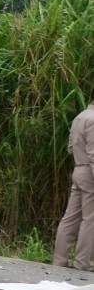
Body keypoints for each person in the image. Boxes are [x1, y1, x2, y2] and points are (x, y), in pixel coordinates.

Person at [54, 96, 94, 270]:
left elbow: (71, 148)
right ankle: (82, 262)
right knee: (90, 218)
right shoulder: (93, 120)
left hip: (78, 168)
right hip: (90, 171)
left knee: (70, 217)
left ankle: (60, 260)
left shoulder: (80, 117)